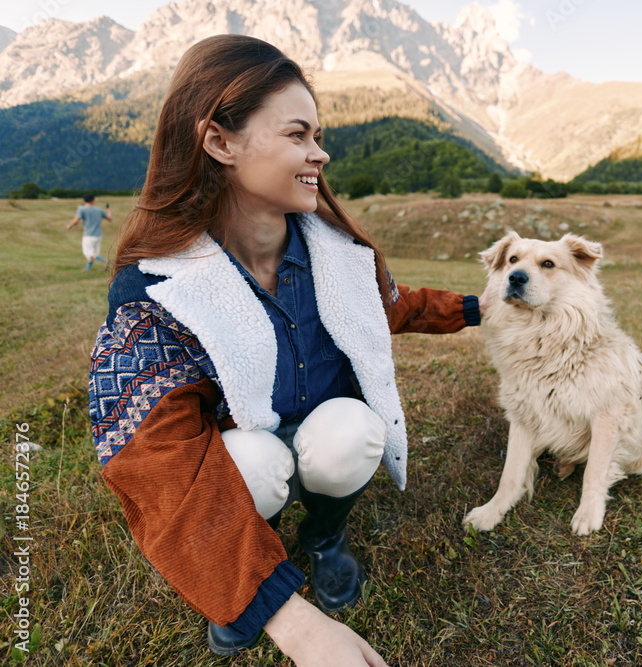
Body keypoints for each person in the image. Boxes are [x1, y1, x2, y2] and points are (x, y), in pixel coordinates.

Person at [88, 35, 483, 665]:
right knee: (245, 462)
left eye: (317, 135)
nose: (319, 153)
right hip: (247, 444)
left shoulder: (341, 256)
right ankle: (251, 564)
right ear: (220, 141)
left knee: (354, 429)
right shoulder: (158, 290)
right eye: (298, 134)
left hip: (324, 428)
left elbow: (391, 305)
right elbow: (152, 459)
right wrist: (289, 622)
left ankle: (326, 536)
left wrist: (475, 308)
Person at [67, 194, 111, 270]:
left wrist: (70, 226)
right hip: (98, 235)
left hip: (88, 235)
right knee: (94, 254)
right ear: (93, 200)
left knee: (88, 253)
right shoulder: (99, 210)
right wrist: (108, 210)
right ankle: (87, 268)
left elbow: (76, 220)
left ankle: (104, 260)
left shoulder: (82, 209)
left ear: (84, 200)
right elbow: (109, 218)